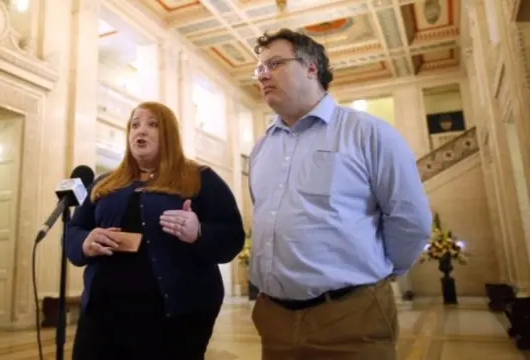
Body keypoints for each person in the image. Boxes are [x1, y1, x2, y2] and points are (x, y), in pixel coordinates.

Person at [247, 28, 432, 360]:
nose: (263, 76)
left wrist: (385, 272)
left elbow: (410, 220)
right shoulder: (262, 148)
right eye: (259, 69)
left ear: (310, 67)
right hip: (273, 320)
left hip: (351, 318)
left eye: (274, 64)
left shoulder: (369, 133)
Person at [67, 101, 245, 360]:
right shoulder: (104, 183)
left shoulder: (199, 178)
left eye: (152, 125)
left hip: (175, 319)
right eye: (135, 125)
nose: (141, 131)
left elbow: (232, 237)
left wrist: (199, 232)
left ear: (169, 134)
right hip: (101, 317)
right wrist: (84, 241)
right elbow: (74, 230)